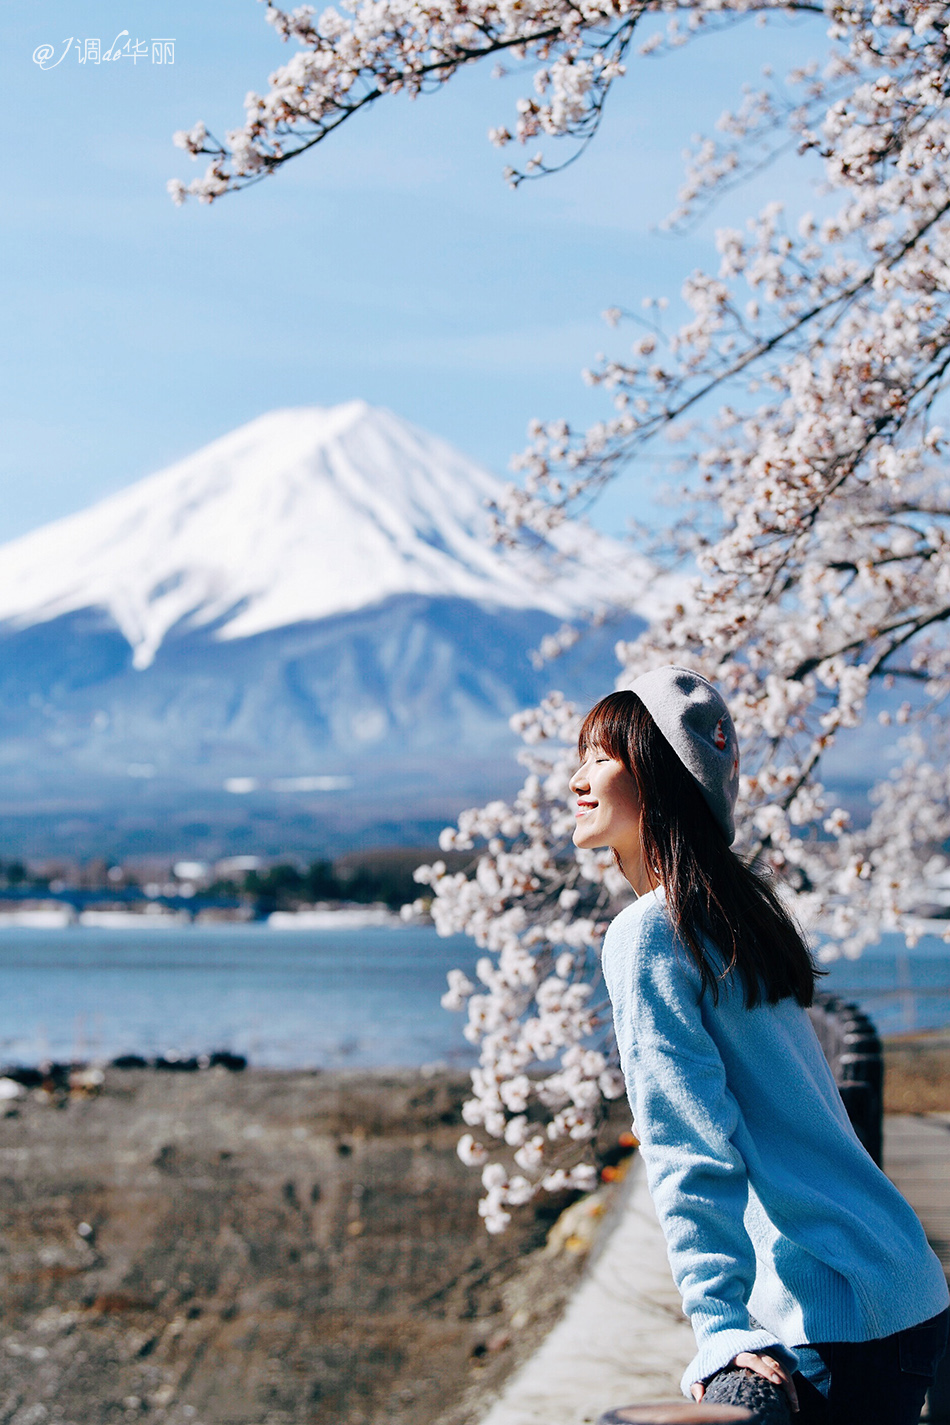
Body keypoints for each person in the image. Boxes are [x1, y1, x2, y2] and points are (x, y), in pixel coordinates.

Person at [569, 667, 949, 1424]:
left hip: (830, 1315)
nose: (578, 780)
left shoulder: (648, 933)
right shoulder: (736, 912)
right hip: (904, 1291)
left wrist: (717, 1329)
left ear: (661, 774)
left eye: (602, 757)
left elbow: (686, 1142)